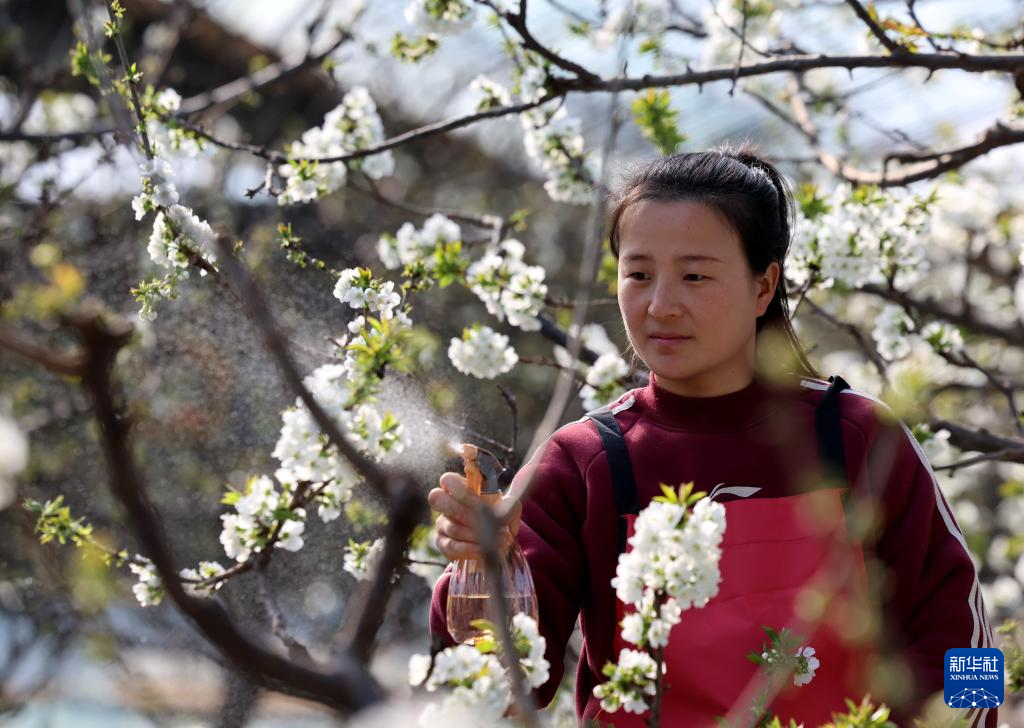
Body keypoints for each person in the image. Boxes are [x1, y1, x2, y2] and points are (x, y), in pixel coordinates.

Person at [427, 146, 997, 727]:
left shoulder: (857, 437)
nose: (661, 305)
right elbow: (494, 687)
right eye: (639, 274)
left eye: (694, 275)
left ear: (763, 286)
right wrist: (482, 572)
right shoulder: (585, 460)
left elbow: (969, 651)